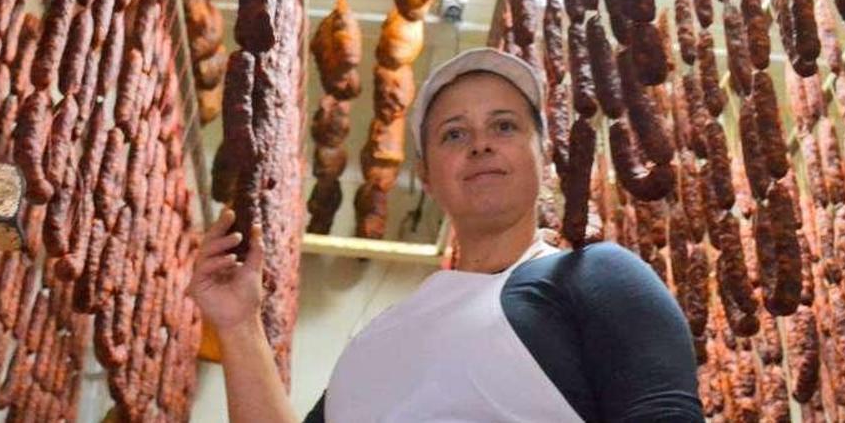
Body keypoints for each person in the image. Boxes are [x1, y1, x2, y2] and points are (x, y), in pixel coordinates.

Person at [188, 48, 703, 422]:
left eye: (504, 126)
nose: (480, 144)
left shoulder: (599, 277)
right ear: (428, 177)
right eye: (454, 134)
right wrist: (238, 326)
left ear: (542, 159)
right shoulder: (380, 336)